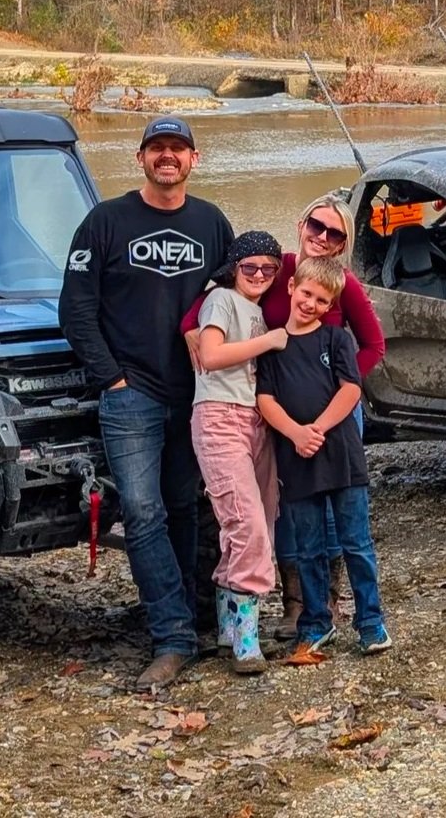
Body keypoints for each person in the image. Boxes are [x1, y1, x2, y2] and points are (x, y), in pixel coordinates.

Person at [59, 115, 234, 691]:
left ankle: (186, 614)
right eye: (157, 148)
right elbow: (76, 307)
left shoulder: (211, 222)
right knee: (141, 512)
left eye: (177, 149)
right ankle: (172, 636)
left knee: (183, 507)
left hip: (196, 393)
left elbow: (238, 297)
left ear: (193, 159)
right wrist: (110, 378)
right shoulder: (105, 221)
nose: (168, 157)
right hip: (130, 394)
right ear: (140, 158)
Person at [180, 191, 386, 639]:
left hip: (333, 411)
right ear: (301, 224)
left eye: (335, 233)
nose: (323, 237)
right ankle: (298, 606)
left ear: (343, 242)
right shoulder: (275, 270)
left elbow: (374, 345)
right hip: (275, 409)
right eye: (317, 226)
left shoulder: (339, 281)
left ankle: (330, 603)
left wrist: (340, 384)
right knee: (290, 507)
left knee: (336, 518)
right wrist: (189, 329)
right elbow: (216, 296)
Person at [256, 256, 392, 661]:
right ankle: (316, 622)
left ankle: (370, 622)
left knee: (356, 543)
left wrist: (316, 428)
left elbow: (350, 389)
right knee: (308, 546)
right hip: (296, 459)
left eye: (321, 299)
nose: (311, 303)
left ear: (331, 304)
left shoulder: (337, 341)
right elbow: (265, 399)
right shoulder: (273, 345)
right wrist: (296, 434)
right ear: (291, 287)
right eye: (307, 293)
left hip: (342, 457)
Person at [190, 231, 287, 675]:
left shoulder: (261, 310)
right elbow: (210, 355)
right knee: (245, 520)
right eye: (251, 267)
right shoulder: (221, 300)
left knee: (260, 518)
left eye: (269, 268)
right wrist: (270, 341)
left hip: (256, 421)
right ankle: (248, 635)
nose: (260, 275)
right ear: (234, 267)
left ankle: (229, 621)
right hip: (218, 417)